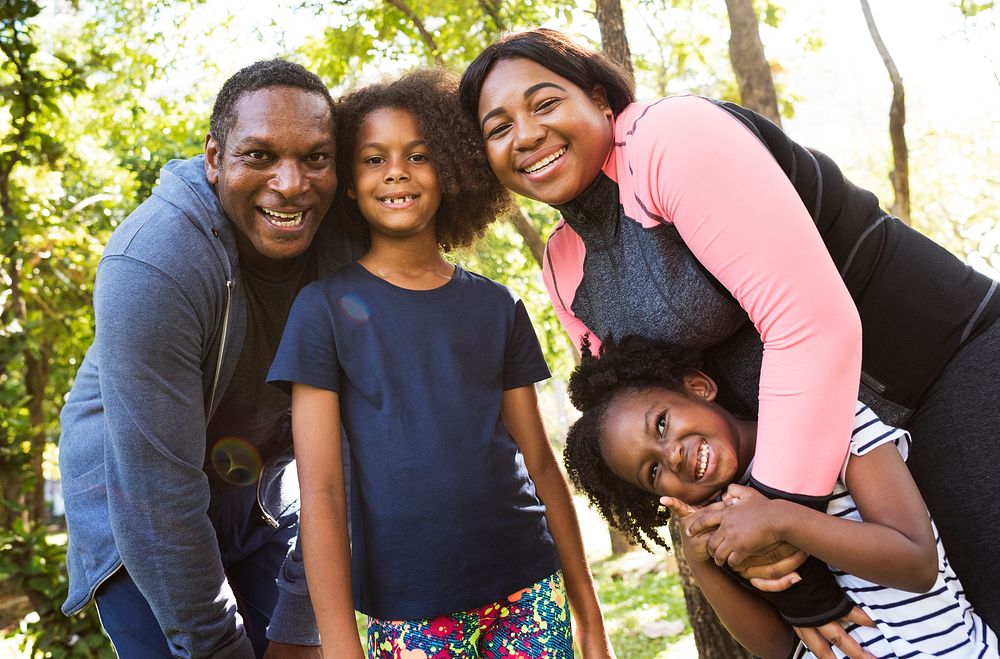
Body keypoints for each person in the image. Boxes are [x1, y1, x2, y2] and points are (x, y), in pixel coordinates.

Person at [458, 27, 1000, 638]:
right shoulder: (563, 264)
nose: (526, 135)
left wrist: (775, 527)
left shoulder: (672, 137)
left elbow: (809, 322)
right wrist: (795, 583)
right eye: (498, 128)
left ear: (601, 100)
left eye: (545, 103)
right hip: (831, 477)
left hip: (940, 372)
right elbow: (637, 414)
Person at [266, 68, 615, 659]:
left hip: (529, 589)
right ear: (349, 183)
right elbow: (321, 492)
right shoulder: (321, 310)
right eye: (373, 159)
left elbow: (540, 464)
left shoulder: (496, 305)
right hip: (407, 613)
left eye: (419, 154)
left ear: (449, 169)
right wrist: (341, 646)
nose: (397, 171)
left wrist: (590, 616)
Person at [58, 59, 361, 657]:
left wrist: (300, 631)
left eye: (315, 158)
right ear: (216, 159)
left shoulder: (353, 248)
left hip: (263, 503)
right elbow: (157, 497)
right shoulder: (154, 262)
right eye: (260, 156)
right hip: (137, 515)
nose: (292, 183)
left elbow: (352, 456)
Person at [563, 334, 998, 659]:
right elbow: (777, 649)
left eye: (661, 424)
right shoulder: (724, 522)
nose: (671, 455)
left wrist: (779, 520)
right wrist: (701, 562)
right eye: (652, 471)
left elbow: (917, 564)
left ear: (698, 388)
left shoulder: (832, 424)